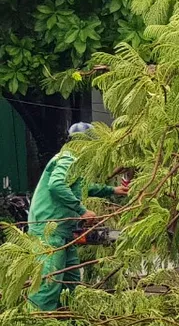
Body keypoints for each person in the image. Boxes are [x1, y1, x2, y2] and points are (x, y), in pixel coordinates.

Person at [26, 122, 128, 311]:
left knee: (71, 283)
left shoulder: (75, 162)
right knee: (49, 283)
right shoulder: (68, 157)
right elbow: (56, 185)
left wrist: (112, 190)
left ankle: (68, 325)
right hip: (50, 231)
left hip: (65, 232)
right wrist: (82, 210)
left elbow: (81, 187)